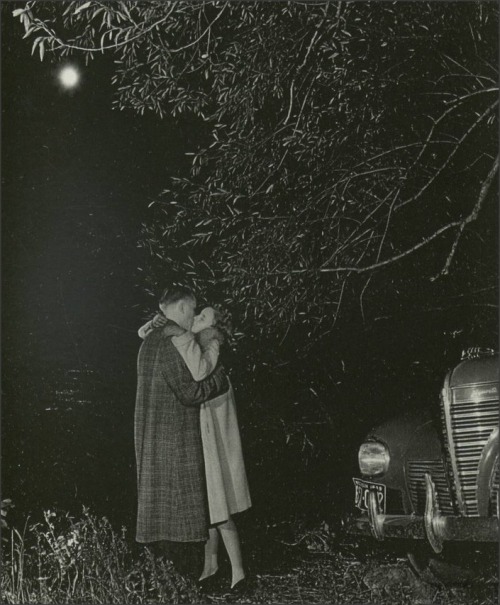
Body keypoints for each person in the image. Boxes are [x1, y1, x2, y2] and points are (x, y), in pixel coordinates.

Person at [138, 305, 252, 593]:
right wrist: (159, 324)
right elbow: (145, 334)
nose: (196, 319)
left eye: (203, 317)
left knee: (219, 505)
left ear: (214, 328)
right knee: (209, 507)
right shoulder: (196, 342)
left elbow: (201, 376)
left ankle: (239, 573)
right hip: (204, 437)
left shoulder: (211, 344)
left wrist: (177, 329)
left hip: (215, 441)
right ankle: (210, 567)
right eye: (196, 314)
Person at [134, 287, 229, 577]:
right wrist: (221, 381)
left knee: (158, 507)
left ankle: (162, 576)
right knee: (181, 507)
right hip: (175, 436)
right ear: (184, 309)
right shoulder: (173, 341)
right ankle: (182, 578)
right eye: (193, 310)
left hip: (150, 433)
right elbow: (190, 391)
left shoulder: (149, 341)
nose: (193, 317)